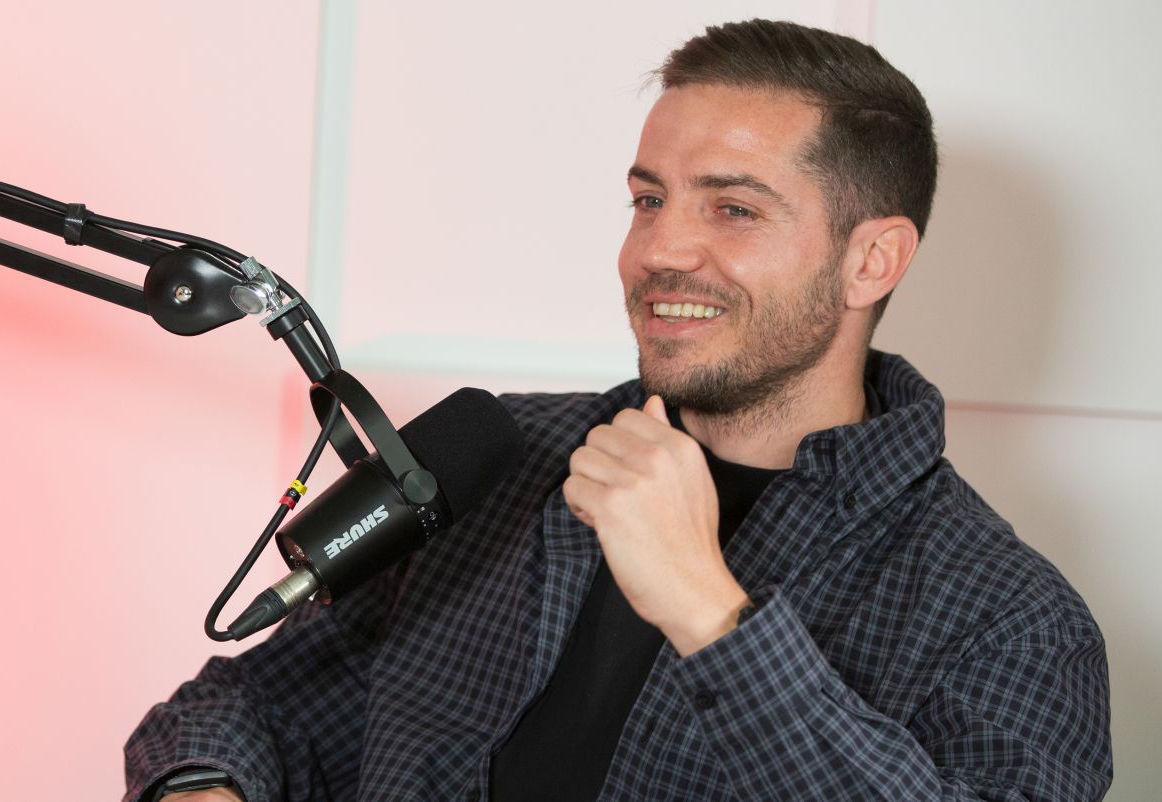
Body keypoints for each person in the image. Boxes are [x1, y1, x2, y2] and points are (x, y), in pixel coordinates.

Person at [125, 19, 1112, 802]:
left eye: (734, 209)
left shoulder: (1011, 622)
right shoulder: (505, 459)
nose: (660, 251)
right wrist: (206, 786)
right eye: (649, 200)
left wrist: (708, 610)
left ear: (872, 260)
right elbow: (255, 707)